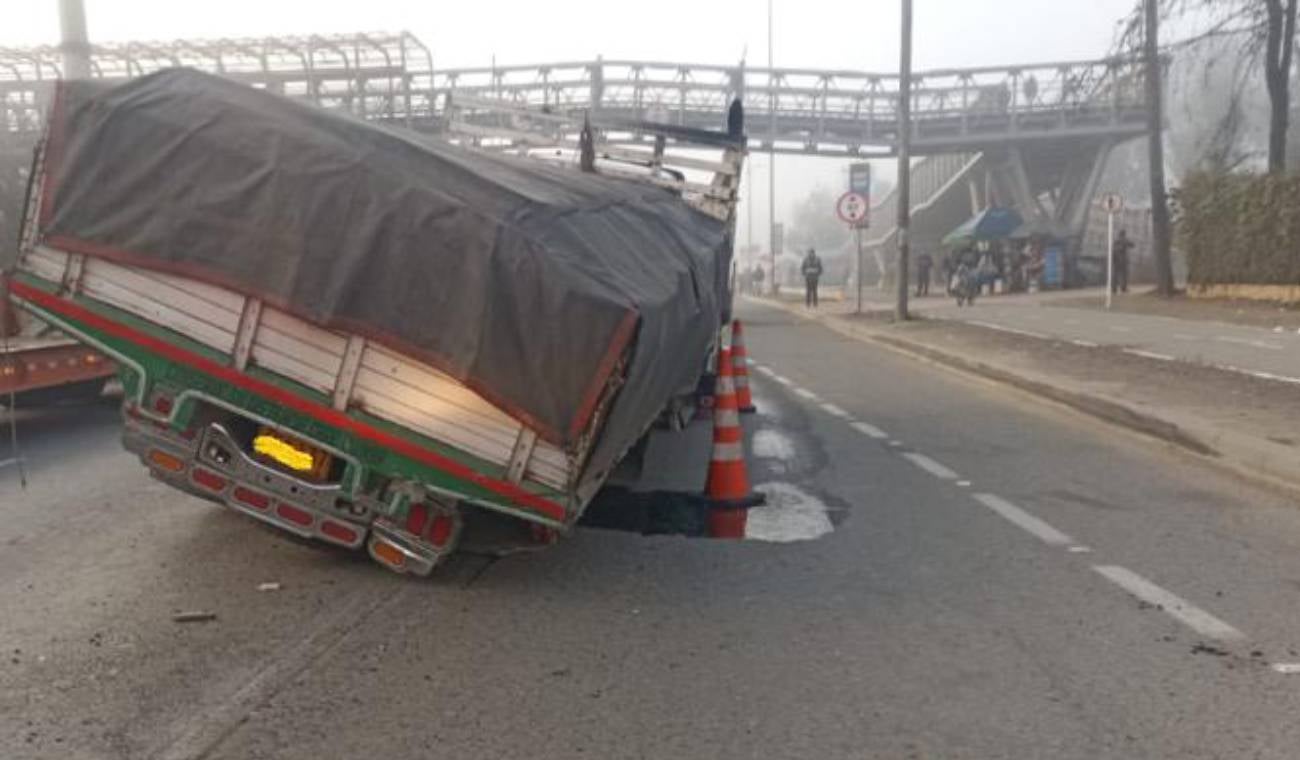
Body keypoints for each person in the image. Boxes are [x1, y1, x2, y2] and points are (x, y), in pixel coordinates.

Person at [1112, 229, 1133, 294]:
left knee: (1115, 274)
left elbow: (1113, 250)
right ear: (1124, 234)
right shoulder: (1124, 240)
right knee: (1124, 274)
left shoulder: (1116, 241)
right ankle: (1123, 288)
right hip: (1122, 260)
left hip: (1115, 260)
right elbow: (1132, 245)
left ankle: (1114, 289)